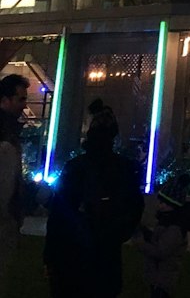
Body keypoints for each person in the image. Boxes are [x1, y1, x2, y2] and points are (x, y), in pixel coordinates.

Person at [44, 99, 144, 298]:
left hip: (72, 256)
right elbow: (134, 209)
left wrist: (50, 256)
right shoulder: (124, 169)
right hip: (106, 257)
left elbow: (58, 215)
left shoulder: (76, 167)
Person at [134, 181, 190, 298]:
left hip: (163, 278)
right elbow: (159, 239)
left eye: (164, 203)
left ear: (174, 205)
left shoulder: (175, 228)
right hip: (159, 276)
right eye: (160, 201)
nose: (160, 205)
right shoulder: (167, 220)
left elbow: (160, 251)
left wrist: (140, 243)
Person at [0, 73, 28, 297]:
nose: (24, 105)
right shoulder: (6, 138)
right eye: (20, 99)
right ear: (4, 100)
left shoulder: (9, 133)